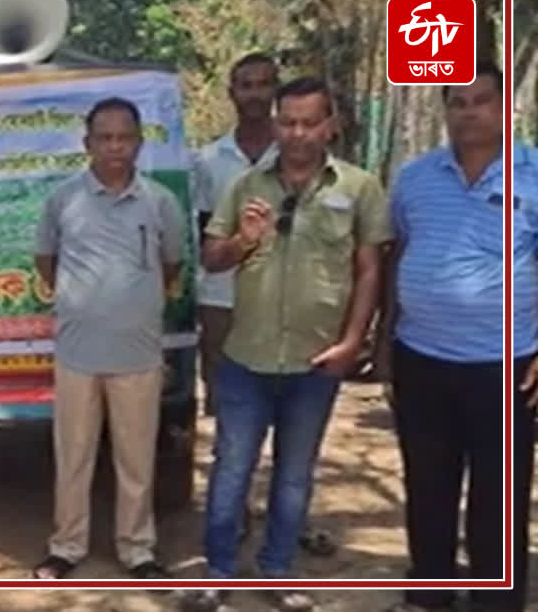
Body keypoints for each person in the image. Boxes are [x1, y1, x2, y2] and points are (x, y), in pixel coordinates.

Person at [183, 77, 390, 612]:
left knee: (295, 475)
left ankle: (278, 570)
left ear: (330, 125)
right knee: (231, 471)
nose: (297, 134)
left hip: (315, 363)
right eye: (288, 122)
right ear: (276, 124)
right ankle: (218, 571)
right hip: (245, 359)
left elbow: (369, 271)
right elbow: (211, 259)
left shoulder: (360, 188)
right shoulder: (247, 185)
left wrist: (352, 342)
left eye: (308, 122)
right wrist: (243, 241)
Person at [379, 60, 534, 612]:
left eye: (481, 100)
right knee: (429, 487)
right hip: (421, 359)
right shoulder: (416, 178)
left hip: (505, 366)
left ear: (503, 108)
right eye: (458, 102)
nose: (469, 112)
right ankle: (429, 592)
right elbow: (397, 254)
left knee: (497, 496)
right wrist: (384, 346)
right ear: (446, 112)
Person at [30, 97, 185, 580]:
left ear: (139, 142)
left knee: (136, 459)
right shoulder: (62, 200)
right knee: (72, 457)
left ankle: (137, 550)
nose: (115, 147)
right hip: (77, 353)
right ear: (88, 143)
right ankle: (67, 546)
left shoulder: (160, 201)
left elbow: (172, 264)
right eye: (105, 138)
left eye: (125, 137)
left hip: (137, 354)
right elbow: (45, 261)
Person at [195, 52, 280, 417]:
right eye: (246, 86)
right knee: (224, 407)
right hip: (221, 300)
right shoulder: (208, 161)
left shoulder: (294, 155)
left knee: (280, 406)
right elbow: (203, 237)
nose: (255, 94)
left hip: (281, 299)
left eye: (263, 85)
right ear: (232, 93)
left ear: (275, 90)